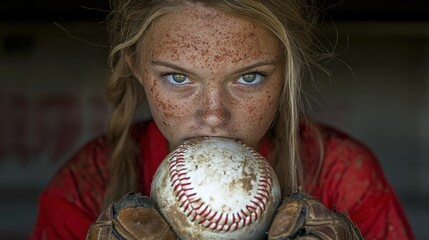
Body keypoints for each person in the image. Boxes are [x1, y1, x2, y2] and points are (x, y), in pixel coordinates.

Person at [31, 0, 415, 239]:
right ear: (136, 69)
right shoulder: (84, 189)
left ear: (286, 72)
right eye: (177, 78)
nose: (214, 115)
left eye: (249, 77)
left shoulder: (343, 177)